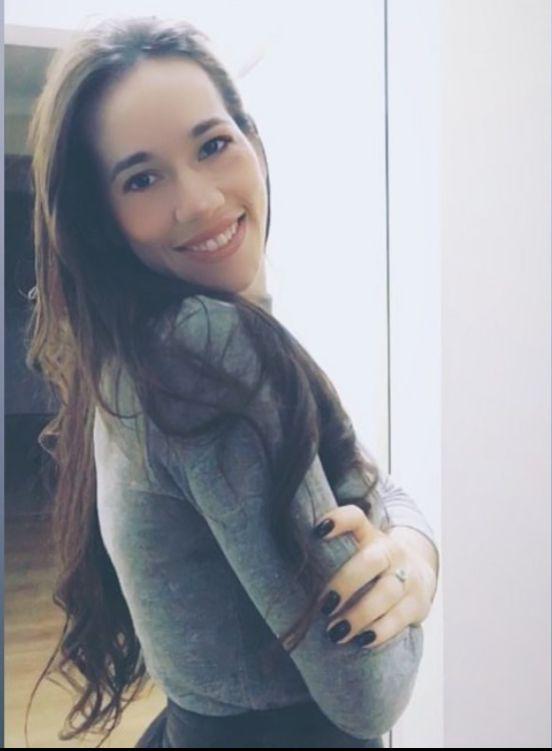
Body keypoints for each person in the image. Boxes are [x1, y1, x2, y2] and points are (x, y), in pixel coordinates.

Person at [23, 15, 440, 749]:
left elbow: (371, 478)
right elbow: (367, 691)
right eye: (143, 178)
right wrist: (420, 565)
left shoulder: (137, 346)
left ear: (253, 140)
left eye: (213, 145)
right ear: (101, 216)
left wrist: (409, 545)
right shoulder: (206, 348)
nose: (199, 201)